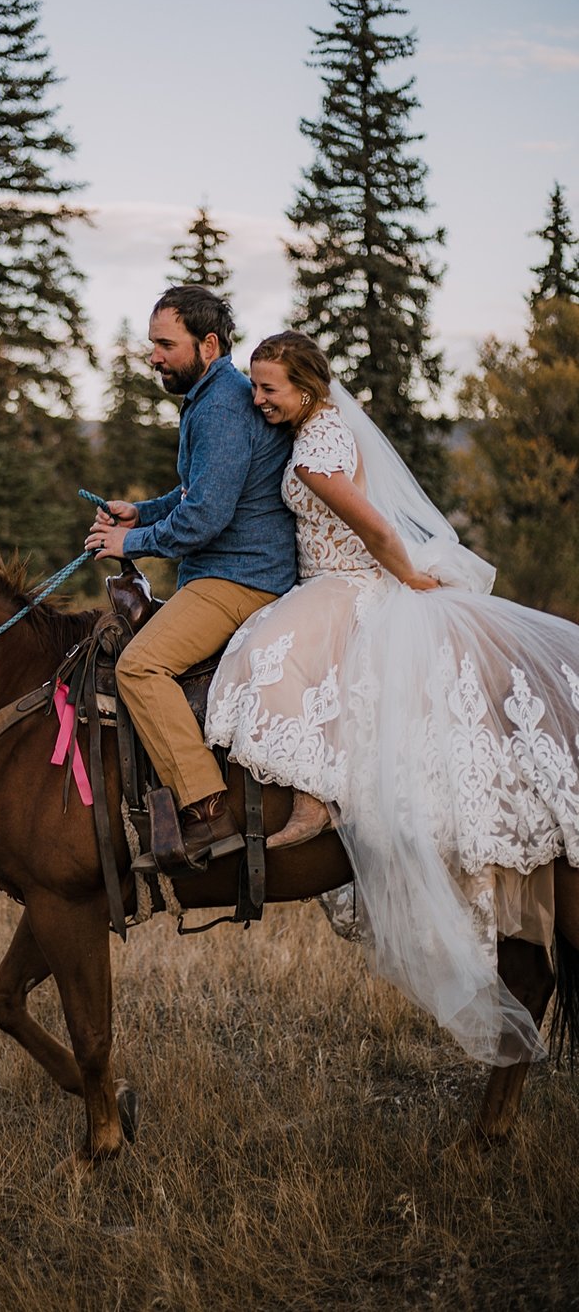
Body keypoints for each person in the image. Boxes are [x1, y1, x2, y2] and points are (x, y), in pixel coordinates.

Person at [205, 329, 579, 1064]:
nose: (258, 398)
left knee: (266, 667)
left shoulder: (315, 453)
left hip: (346, 587)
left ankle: (315, 802)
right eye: (254, 384)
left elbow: (373, 525)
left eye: (269, 387)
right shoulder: (327, 427)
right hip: (343, 581)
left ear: (307, 389)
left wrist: (405, 576)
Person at [85, 285, 297, 870]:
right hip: (224, 571)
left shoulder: (223, 405)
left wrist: (130, 543)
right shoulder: (211, 397)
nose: (153, 356)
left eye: (164, 345)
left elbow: (205, 517)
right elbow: (195, 494)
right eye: (152, 344)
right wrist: (143, 512)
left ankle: (207, 816)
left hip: (241, 578)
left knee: (140, 665)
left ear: (208, 344)